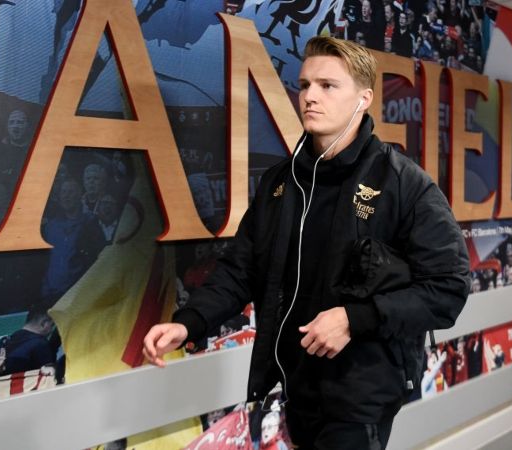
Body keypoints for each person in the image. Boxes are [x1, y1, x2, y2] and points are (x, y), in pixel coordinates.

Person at [143, 36, 469, 449]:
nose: (310, 97)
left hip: (360, 396)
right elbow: (241, 269)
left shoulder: (404, 185)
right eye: (305, 85)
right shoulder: (281, 183)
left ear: (363, 97)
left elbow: (448, 289)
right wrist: (188, 321)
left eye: (328, 86)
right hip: (295, 386)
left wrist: (355, 318)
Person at [0, 307, 57, 378]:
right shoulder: (40, 344)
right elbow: (50, 378)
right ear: (44, 323)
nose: (51, 330)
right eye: (52, 325)